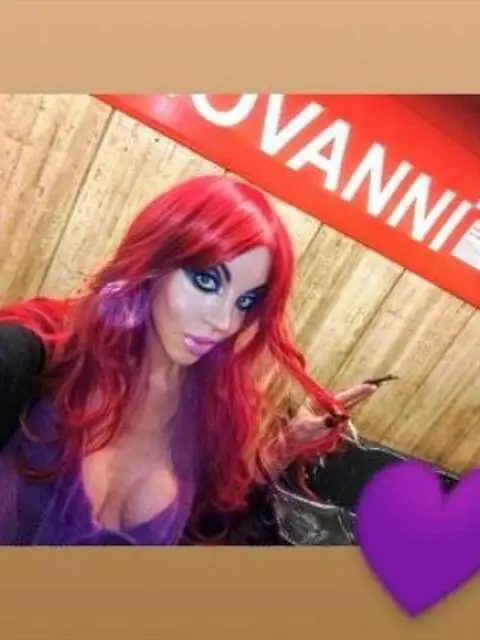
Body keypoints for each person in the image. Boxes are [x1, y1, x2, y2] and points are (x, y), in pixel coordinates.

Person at [0, 174, 377, 545]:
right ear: (155, 261)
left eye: (245, 301)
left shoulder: (214, 409)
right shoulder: (42, 355)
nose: (225, 322)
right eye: (207, 282)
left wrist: (285, 446)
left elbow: (206, 522)